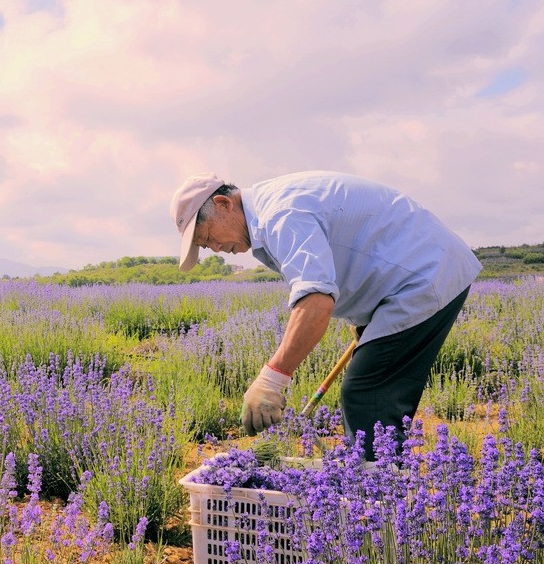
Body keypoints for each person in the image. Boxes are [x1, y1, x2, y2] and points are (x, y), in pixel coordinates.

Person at [169, 170, 481, 460]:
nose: (216, 248)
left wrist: (272, 379)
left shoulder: (281, 215)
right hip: (412, 278)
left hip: (424, 276)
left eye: (207, 237)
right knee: (371, 389)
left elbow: (316, 300)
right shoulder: (268, 217)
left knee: (367, 392)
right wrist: (367, 321)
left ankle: (375, 496)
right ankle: (376, 485)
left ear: (223, 204)